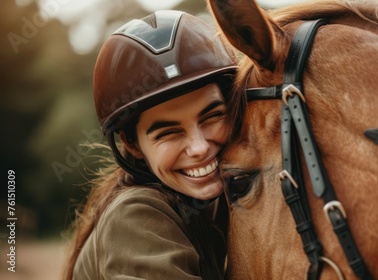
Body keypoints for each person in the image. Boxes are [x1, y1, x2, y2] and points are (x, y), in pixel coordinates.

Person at [63, 10, 243, 280]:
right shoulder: (135, 216)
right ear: (132, 144)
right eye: (169, 133)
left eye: (213, 116)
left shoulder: (213, 203)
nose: (199, 148)